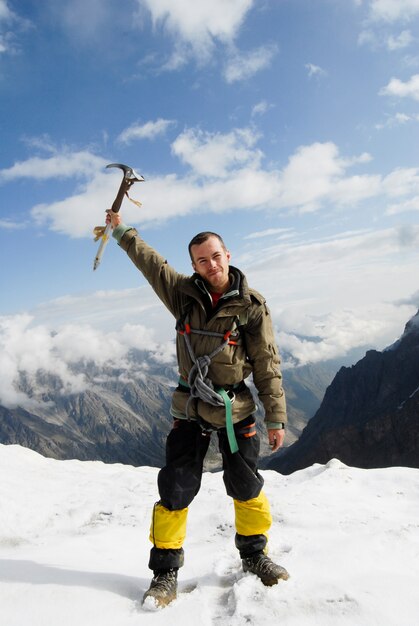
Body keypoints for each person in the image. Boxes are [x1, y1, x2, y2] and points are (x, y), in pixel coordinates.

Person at [106, 211, 289, 608]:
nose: (211, 265)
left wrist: (275, 416)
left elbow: (266, 363)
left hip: (235, 407)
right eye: (202, 260)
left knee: (246, 485)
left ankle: (254, 555)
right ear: (193, 266)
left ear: (228, 254)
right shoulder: (182, 295)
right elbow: (151, 263)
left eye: (216, 256)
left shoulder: (251, 306)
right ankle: (164, 573)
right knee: (175, 487)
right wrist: (121, 231)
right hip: (190, 407)